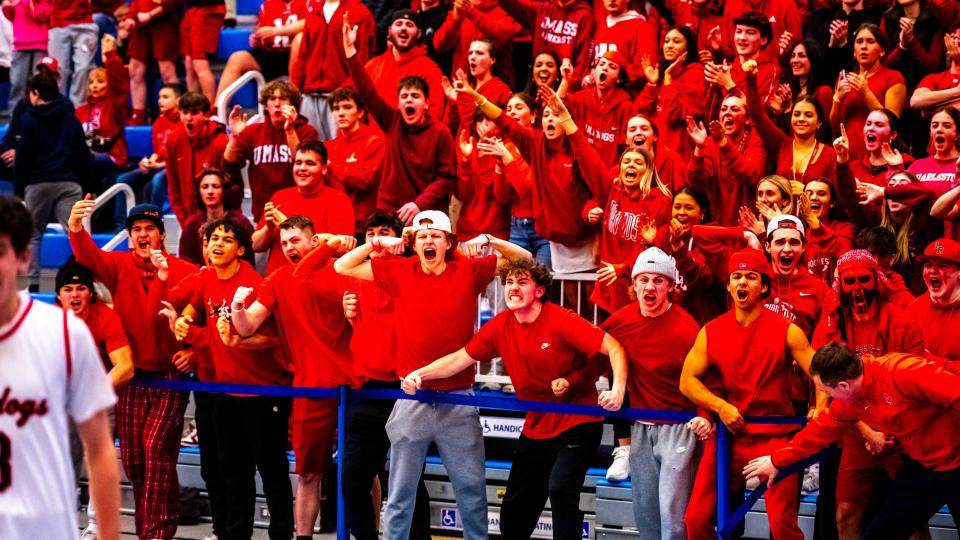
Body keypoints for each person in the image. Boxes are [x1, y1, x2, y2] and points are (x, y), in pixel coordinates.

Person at [334, 209, 532, 539]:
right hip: (412, 399)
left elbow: (524, 260)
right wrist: (378, 242)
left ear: (448, 243)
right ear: (413, 243)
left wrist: (487, 240)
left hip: (458, 399)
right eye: (421, 236)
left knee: (471, 493)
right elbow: (343, 266)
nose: (428, 240)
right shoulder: (399, 270)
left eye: (435, 236)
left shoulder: (468, 270)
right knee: (399, 495)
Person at [402, 257, 627, 539]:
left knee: (560, 489)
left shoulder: (561, 320)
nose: (513, 288)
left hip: (578, 421)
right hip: (536, 427)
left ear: (540, 291)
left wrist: (617, 389)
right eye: (509, 282)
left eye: (522, 282)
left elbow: (614, 348)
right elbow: (461, 358)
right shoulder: (500, 325)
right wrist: (419, 375)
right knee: (513, 515)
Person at [155, 219, 294, 540]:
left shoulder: (253, 285)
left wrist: (189, 329)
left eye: (226, 239)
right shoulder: (206, 277)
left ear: (241, 249)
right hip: (226, 395)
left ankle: (282, 536)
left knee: (272, 474)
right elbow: (184, 300)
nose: (216, 244)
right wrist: (183, 318)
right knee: (233, 475)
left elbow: (251, 337)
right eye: (212, 238)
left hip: (263, 395)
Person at [69, 199, 196, 540]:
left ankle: (157, 533)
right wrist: (76, 227)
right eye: (137, 229)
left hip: (170, 377)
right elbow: (88, 258)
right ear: (129, 237)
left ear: (162, 236)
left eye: (150, 229)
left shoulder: (184, 269)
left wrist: (194, 351)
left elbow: (204, 311)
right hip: (132, 376)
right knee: (136, 461)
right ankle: (147, 530)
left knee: (157, 450)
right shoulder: (118, 264)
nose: (143, 235)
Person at [743, 343, 960, 540]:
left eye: (827, 392)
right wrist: (777, 461)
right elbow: (818, 432)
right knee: (878, 534)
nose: (828, 397)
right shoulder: (849, 402)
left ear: (844, 386)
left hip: (957, 462)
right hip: (923, 467)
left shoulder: (901, 372)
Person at [0, 195, 120, 539]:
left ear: (24, 257)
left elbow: (98, 449)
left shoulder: (65, 335)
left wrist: (109, 535)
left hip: (45, 528)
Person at [679, 247, 818, 540]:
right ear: (728, 285)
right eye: (736, 277)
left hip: (775, 436)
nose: (742, 283)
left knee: (783, 526)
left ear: (764, 286)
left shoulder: (787, 330)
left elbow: (821, 374)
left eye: (751, 277)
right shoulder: (711, 331)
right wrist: (720, 407)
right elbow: (687, 381)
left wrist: (821, 406)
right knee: (696, 520)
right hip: (729, 435)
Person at [231, 216, 356, 540]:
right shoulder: (275, 280)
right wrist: (236, 309)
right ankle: (303, 538)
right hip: (308, 388)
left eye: (295, 240)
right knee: (308, 473)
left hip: (354, 384)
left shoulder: (341, 269)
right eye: (284, 243)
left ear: (314, 242)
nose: (289, 248)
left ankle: (367, 534)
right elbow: (246, 327)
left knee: (362, 472)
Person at [811, 249, 925, 539]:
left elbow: (913, 383)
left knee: (911, 520)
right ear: (841, 286)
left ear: (877, 280)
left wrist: (884, 433)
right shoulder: (834, 322)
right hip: (855, 435)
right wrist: (866, 432)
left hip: (900, 436)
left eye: (863, 279)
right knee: (845, 513)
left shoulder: (902, 321)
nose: (857, 289)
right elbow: (824, 380)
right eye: (849, 282)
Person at [334, 212, 433, 540]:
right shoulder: (357, 279)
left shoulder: (414, 272)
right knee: (351, 477)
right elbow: (365, 333)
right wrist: (351, 319)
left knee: (408, 480)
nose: (378, 239)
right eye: (371, 234)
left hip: (405, 388)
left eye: (384, 232)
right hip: (367, 389)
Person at [601, 247, 707, 540]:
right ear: (633, 284)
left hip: (680, 428)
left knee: (673, 519)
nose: (650, 287)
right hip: (641, 428)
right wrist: (567, 380)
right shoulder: (620, 321)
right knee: (645, 516)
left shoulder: (687, 330)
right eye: (643, 279)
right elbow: (592, 357)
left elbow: (709, 380)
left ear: (671, 286)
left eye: (658, 281)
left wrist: (706, 417)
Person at [343, 15, 456, 224]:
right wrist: (351, 54)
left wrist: (419, 204)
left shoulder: (440, 132)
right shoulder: (392, 120)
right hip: (389, 211)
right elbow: (368, 92)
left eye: (415, 96)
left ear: (427, 103)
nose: (408, 101)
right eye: (404, 97)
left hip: (427, 215)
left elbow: (446, 179)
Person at [56, 259, 133, 539]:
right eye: (67, 289)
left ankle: (97, 527)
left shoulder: (106, 317)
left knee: (100, 460)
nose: (74, 295)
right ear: (58, 295)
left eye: (80, 288)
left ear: (91, 292)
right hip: (61, 398)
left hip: (99, 396)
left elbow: (125, 366)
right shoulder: (48, 321)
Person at [16, 71, 89, 291]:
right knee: (76, 232)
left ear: (35, 93)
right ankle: (83, 279)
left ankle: (33, 286)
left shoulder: (29, 120)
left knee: (34, 234)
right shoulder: (71, 119)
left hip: (38, 184)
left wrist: (21, 189)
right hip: (69, 183)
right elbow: (83, 154)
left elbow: (22, 157)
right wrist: (89, 186)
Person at [251, 140, 355, 274]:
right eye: (298, 163)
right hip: (276, 285)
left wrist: (286, 225)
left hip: (315, 283)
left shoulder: (339, 200)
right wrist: (268, 228)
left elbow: (343, 248)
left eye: (310, 163)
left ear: (324, 169)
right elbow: (255, 245)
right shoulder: (280, 197)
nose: (302, 168)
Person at [223, 79, 319, 223]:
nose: (277, 103)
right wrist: (235, 138)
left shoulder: (307, 132)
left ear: (293, 106)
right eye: (272, 98)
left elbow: (302, 163)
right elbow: (230, 166)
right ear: (266, 106)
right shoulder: (253, 132)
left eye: (283, 98)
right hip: (263, 212)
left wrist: (290, 130)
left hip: (299, 213)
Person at [289, 0, 375, 140]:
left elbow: (364, 60)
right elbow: (302, 57)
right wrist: (293, 94)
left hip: (342, 100)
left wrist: (345, 92)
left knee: (340, 153)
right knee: (311, 153)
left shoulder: (360, 13)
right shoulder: (313, 12)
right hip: (310, 97)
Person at [685, 94, 767, 227]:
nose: (727, 112)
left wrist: (724, 145)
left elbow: (752, 176)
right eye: (723, 109)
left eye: (734, 109)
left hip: (749, 225)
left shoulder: (756, 142)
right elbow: (696, 183)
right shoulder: (710, 143)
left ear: (747, 119)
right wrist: (700, 147)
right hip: (718, 225)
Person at [829, 23, 907, 157]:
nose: (864, 46)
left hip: (880, 156)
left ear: (882, 51)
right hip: (848, 155)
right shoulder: (844, 79)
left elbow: (892, 123)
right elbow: (835, 127)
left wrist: (866, 93)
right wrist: (837, 100)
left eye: (870, 42)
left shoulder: (893, 77)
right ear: (854, 51)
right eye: (859, 42)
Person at [215, 0, 307, 106]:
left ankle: (293, 103)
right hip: (272, 54)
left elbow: (309, 23)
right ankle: (217, 111)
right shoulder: (267, 5)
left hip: (299, 55)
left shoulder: (308, 3)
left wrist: (276, 31)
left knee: (299, 39)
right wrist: (256, 39)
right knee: (237, 58)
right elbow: (262, 33)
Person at [635, 26, 704, 161]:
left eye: (676, 41)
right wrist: (652, 84)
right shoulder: (660, 72)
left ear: (688, 47)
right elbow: (640, 113)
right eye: (666, 41)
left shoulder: (695, 75)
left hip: (678, 154)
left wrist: (668, 78)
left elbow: (675, 115)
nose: (669, 45)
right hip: (654, 149)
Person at [113, 82, 181, 218]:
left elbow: (181, 158)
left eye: (165, 97)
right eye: (159, 97)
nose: (160, 100)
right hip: (158, 165)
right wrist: (148, 162)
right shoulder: (158, 122)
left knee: (157, 179)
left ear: (178, 100)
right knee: (123, 179)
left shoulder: (184, 123)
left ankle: (155, 220)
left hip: (174, 166)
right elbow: (157, 151)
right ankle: (121, 226)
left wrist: (159, 165)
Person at [324, 87, 386, 234]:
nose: (340, 113)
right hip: (333, 225)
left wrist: (332, 167)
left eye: (347, 107)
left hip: (363, 227)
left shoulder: (375, 143)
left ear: (360, 112)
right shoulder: (328, 146)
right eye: (336, 108)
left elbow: (366, 181)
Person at [165, 92, 229, 225]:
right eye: (184, 112)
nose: (188, 118)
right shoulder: (174, 141)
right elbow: (173, 187)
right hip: (188, 221)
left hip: (220, 222)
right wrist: (186, 222)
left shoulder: (221, 142)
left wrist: (222, 221)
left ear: (206, 115)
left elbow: (231, 187)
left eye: (194, 113)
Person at [119, 0, 180, 124]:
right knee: (134, 70)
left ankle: (174, 113)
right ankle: (138, 115)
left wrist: (151, 14)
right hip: (142, 26)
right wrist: (130, 18)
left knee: (167, 71)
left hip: (165, 22)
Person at [178, 169, 252, 266]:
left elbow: (248, 261)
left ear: (225, 190)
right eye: (205, 187)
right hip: (199, 278)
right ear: (198, 191)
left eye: (215, 186)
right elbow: (185, 261)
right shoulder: (191, 224)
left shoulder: (241, 223)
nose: (210, 191)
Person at [909, 238, 960, 366]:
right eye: (928, 265)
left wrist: (933, 362)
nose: (932, 270)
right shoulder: (914, 308)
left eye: (942, 265)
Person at [48, 0, 98, 105]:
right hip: (58, 22)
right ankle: (56, 109)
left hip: (85, 22)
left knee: (84, 68)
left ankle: (79, 110)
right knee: (58, 70)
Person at [181, 0, 225, 103]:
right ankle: (192, 107)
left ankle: (209, 111)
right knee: (189, 65)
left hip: (208, 9)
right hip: (190, 9)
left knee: (199, 63)